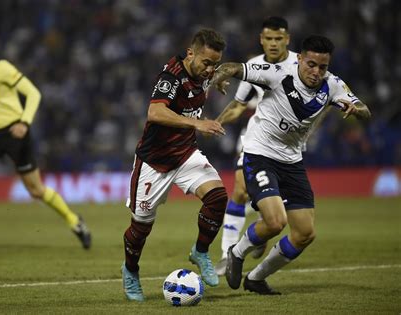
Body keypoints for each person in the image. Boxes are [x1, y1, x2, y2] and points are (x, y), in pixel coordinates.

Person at [211, 35, 371, 294]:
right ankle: (236, 252)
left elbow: (363, 108)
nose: (316, 72)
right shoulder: (277, 73)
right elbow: (233, 68)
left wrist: (356, 110)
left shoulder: (333, 85)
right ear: (299, 58)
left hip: (292, 161)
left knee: (305, 233)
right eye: (311, 64)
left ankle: (256, 277)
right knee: (275, 222)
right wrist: (218, 76)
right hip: (260, 154)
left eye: (323, 67)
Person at [0, 30, 91, 249]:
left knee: (36, 190)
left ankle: (74, 221)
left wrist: (24, 122)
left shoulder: (1, 69)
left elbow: (33, 93)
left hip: (16, 134)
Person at [121, 28, 228, 302]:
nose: (210, 69)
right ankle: (130, 270)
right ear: (190, 53)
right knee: (140, 228)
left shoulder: (205, 70)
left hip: (185, 154)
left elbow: (220, 68)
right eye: (206, 63)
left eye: (214, 64)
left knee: (217, 198)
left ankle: (200, 251)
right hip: (153, 161)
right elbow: (154, 112)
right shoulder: (172, 76)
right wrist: (197, 123)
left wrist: (220, 77)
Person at [214, 16, 298, 276]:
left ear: (287, 39)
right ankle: (226, 255)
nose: (273, 44)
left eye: (278, 38)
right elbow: (240, 104)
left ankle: (260, 231)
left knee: (274, 213)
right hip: (256, 140)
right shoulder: (254, 66)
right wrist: (215, 122)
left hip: (287, 147)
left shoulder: (301, 65)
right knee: (239, 190)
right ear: (262, 40)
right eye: (268, 39)